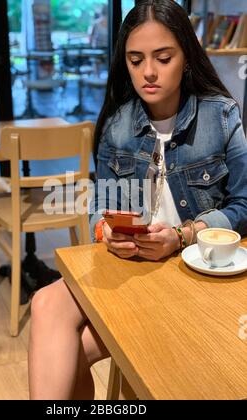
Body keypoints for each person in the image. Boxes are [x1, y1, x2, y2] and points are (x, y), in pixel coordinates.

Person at [28, 0, 247, 399]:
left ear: (186, 57)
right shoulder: (118, 123)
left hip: (187, 271)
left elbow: (244, 206)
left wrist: (183, 235)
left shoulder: (221, 116)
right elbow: (102, 203)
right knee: (45, 303)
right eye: (135, 59)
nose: (148, 72)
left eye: (163, 58)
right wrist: (105, 229)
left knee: (69, 347)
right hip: (127, 268)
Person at [89, 4, 108, 77]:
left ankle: (97, 78)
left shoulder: (96, 23)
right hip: (107, 49)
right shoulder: (112, 22)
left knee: (96, 65)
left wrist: (91, 46)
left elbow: (91, 37)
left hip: (97, 50)